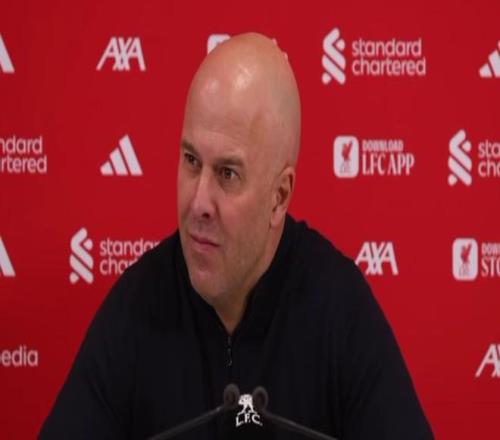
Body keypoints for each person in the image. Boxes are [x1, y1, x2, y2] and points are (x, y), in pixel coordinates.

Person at [40, 33, 433, 439]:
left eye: (227, 174)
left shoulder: (339, 309)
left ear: (279, 197)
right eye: (191, 161)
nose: (198, 202)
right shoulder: (137, 305)